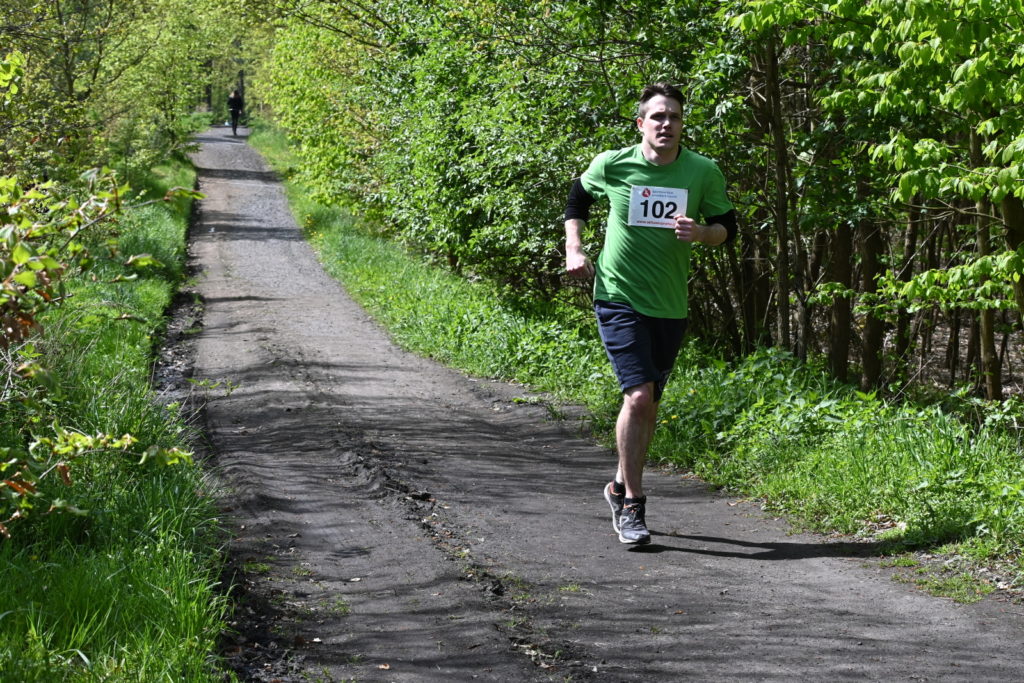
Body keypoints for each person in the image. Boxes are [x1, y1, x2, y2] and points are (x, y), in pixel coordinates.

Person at [564, 82, 737, 545]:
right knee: (638, 397)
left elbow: (728, 228)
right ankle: (632, 506)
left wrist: (702, 233)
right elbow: (576, 199)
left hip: (669, 304)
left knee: (649, 405)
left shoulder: (701, 172)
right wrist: (574, 249)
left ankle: (619, 483)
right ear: (641, 124)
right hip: (618, 296)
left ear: (683, 126)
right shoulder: (613, 163)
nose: (666, 124)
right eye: (657, 117)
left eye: (674, 117)